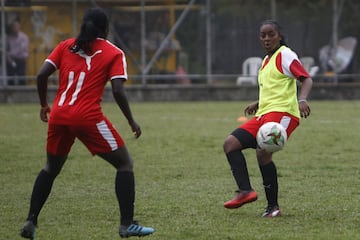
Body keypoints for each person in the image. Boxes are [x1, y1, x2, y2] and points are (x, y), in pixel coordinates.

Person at [20, 8, 154, 239]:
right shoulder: (114, 52)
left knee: (50, 168)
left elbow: (41, 75)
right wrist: (131, 120)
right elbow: (118, 90)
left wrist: (44, 105)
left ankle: (30, 221)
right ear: (105, 28)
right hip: (87, 117)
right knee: (125, 164)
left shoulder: (65, 46)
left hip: (59, 115)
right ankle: (127, 225)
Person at [223, 20, 313, 217]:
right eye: (263, 35)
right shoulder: (265, 61)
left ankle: (273, 207)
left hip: (284, 113)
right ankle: (245, 191)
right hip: (264, 113)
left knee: (262, 152)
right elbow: (275, 87)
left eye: (271, 34)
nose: (266, 38)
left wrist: (303, 99)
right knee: (230, 144)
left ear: (279, 36)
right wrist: (258, 102)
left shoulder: (285, 54)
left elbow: (306, 78)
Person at [6, 19, 29, 85]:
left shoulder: (23, 37)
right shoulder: (9, 38)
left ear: (19, 27)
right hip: (11, 59)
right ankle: (10, 93)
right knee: (10, 77)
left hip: (21, 59)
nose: (15, 28)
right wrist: (9, 58)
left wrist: (11, 54)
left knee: (21, 76)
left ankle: (23, 92)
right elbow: (7, 50)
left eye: (16, 26)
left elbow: (21, 49)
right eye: (13, 26)